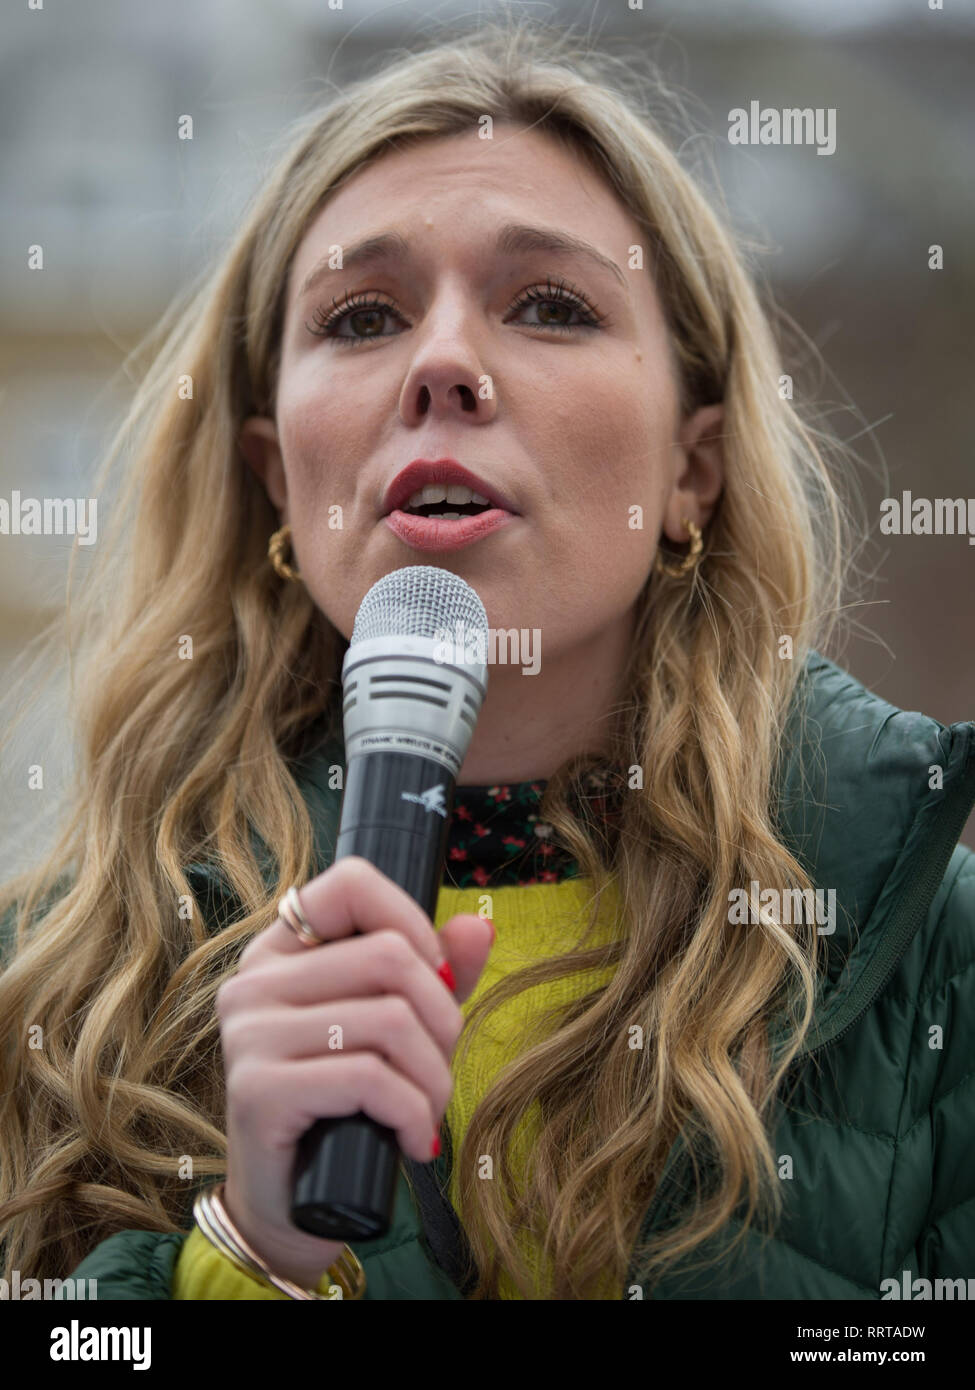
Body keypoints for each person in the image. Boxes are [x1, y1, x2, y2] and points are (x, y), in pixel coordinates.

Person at [1, 18, 973, 1303]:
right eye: (361, 316)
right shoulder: (54, 992)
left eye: (552, 306)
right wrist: (252, 1254)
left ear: (695, 468)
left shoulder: (929, 965)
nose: (445, 365)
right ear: (275, 479)